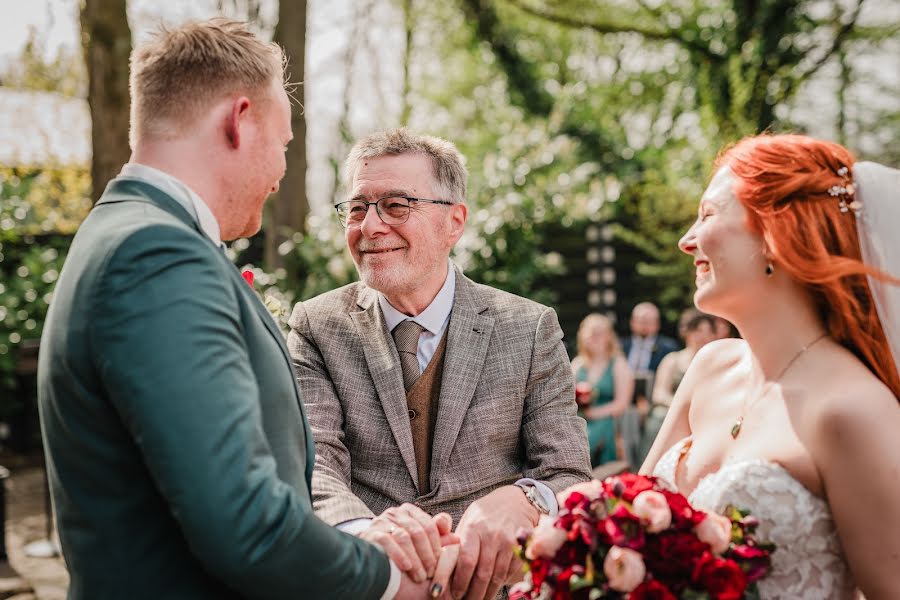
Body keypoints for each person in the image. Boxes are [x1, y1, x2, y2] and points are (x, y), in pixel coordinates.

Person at [37, 20, 438, 599]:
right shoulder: (156, 255)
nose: (280, 173)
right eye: (281, 143)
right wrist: (392, 582)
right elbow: (245, 524)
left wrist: (358, 543)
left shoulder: (129, 232)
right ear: (239, 119)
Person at [287, 128, 592, 600]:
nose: (369, 227)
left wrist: (526, 499)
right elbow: (314, 462)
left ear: (454, 222)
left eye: (395, 205)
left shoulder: (529, 328)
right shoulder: (316, 325)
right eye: (357, 208)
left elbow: (569, 473)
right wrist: (366, 535)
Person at [641, 134, 900, 598]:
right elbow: (624, 523)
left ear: (776, 234)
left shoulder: (851, 409)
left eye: (708, 215)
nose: (686, 240)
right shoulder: (707, 369)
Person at [638, 309, 716, 462]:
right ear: (687, 332)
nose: (703, 337)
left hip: (705, 412)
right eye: (698, 330)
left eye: (708, 332)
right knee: (659, 418)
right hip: (670, 410)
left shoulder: (716, 363)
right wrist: (682, 407)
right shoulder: (673, 360)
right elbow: (659, 394)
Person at [619, 302, 679, 467]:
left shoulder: (669, 347)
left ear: (657, 324)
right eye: (640, 320)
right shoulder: (620, 345)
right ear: (632, 322)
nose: (644, 325)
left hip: (653, 399)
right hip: (622, 399)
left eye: (649, 321)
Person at [570, 314, 634, 466]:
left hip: (609, 417)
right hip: (580, 418)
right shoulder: (578, 364)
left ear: (609, 337)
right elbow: (567, 396)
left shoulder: (618, 364)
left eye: (599, 333)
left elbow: (622, 403)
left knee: (590, 435)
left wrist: (595, 414)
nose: (594, 338)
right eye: (590, 333)